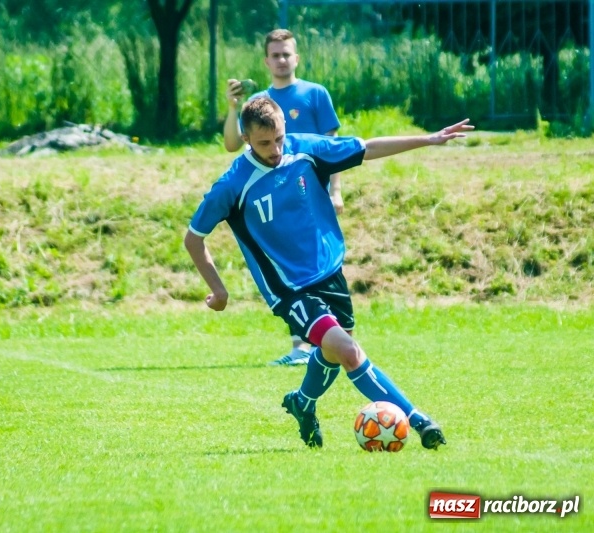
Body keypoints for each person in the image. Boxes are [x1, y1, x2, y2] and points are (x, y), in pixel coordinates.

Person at [186, 97, 473, 449]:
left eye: (278, 138)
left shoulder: (304, 149)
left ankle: (302, 403)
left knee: (334, 353)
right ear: (246, 138)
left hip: (329, 271)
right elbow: (194, 238)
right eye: (264, 143)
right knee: (348, 351)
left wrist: (428, 139)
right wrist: (219, 290)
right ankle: (418, 420)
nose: (275, 149)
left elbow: (365, 148)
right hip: (289, 289)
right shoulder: (232, 185)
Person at [223, 29, 343, 366]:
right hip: (276, 203)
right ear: (266, 60)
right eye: (274, 55)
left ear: (296, 57)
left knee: (318, 264)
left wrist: (336, 191)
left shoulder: (315, 94)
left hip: (312, 198)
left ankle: (328, 338)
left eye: (286, 54)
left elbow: (333, 149)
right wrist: (233, 107)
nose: (281, 60)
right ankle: (301, 345)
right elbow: (232, 144)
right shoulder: (258, 104)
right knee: (287, 266)